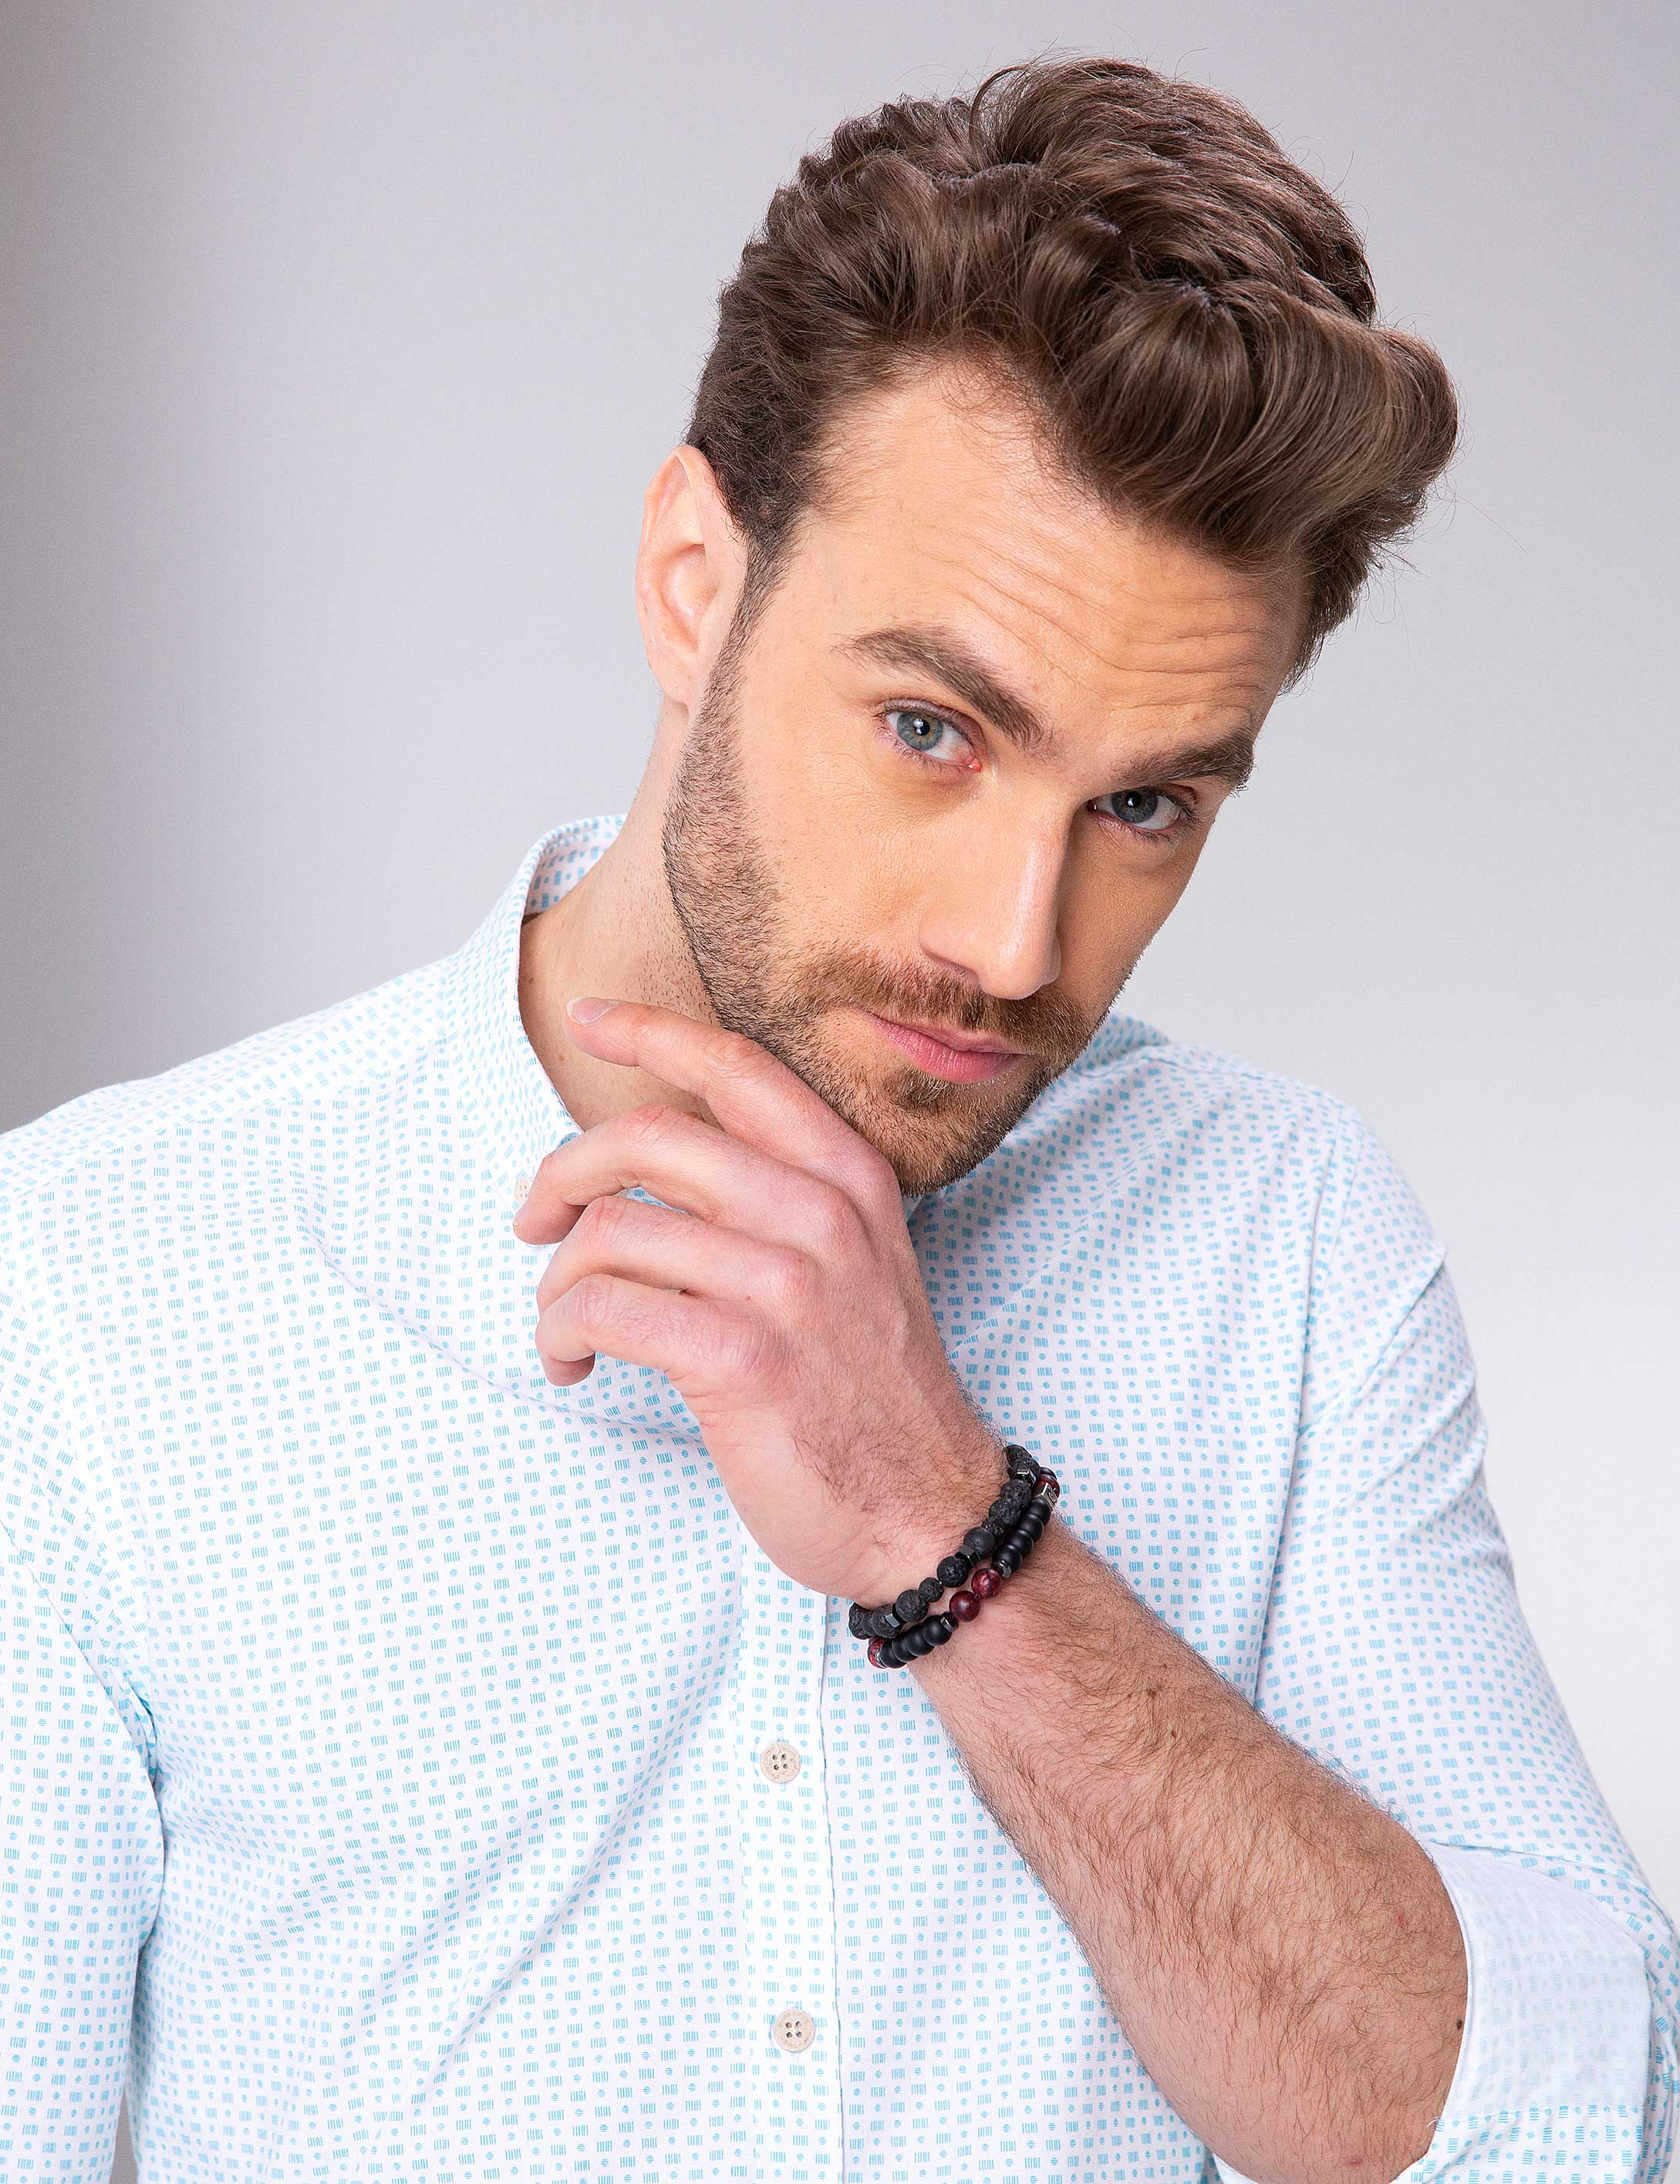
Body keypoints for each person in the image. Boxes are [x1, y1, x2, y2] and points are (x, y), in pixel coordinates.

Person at [1, 53, 1673, 2184]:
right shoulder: (91, 1286)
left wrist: (950, 1534)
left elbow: (1568, 2136)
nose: (1011, 943)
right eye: (930, 728)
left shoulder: (1283, 1243)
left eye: (1142, 804)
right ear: (693, 582)